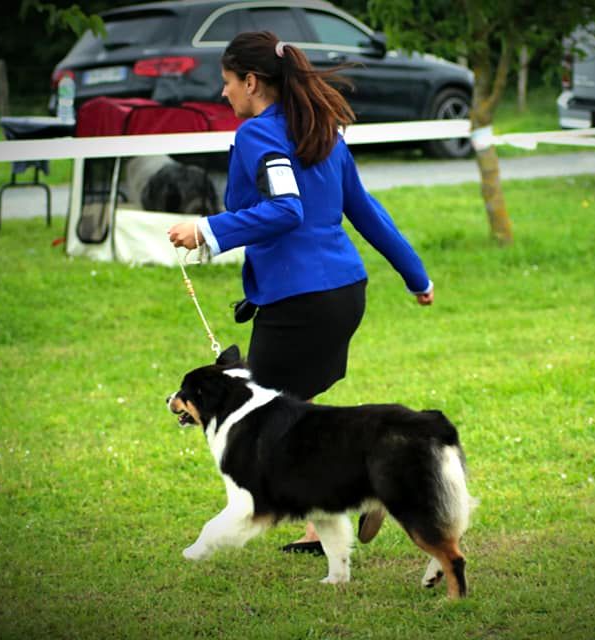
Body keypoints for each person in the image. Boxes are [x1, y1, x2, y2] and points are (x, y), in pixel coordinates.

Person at [168, 31, 433, 555]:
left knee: (255, 416)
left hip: (301, 301)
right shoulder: (319, 127)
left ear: (251, 81)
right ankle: (324, 522)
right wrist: (416, 275)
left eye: (226, 84)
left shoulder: (259, 136)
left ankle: (366, 487)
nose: (223, 95)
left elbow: (285, 209)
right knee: (296, 412)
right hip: (342, 292)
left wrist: (207, 230)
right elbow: (365, 210)